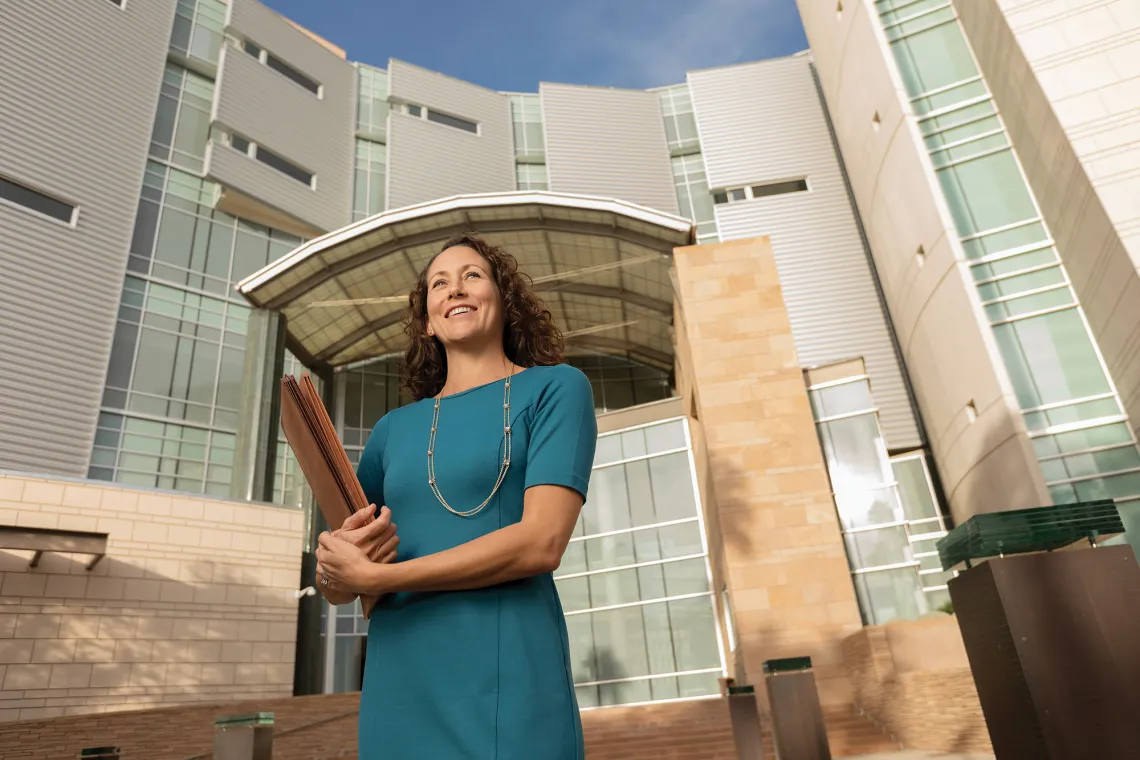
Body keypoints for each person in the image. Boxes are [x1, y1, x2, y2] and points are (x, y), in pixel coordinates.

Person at [315, 233, 598, 760]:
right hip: (400, 682)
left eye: (472, 275)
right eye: (438, 284)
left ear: (503, 298)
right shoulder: (391, 432)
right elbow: (341, 580)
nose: (455, 289)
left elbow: (542, 542)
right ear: (427, 319)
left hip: (507, 670)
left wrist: (380, 578)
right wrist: (334, 568)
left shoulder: (557, 389)